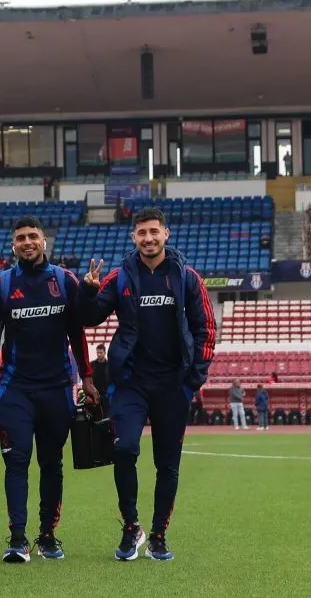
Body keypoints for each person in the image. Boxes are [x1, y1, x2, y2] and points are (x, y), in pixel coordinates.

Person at [79, 207, 216, 562]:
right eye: (142, 233)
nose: (148, 238)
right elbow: (91, 318)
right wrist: (86, 291)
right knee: (124, 450)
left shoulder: (186, 276)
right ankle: (131, 528)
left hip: (172, 385)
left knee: (166, 464)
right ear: (133, 238)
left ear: (165, 234)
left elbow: (207, 330)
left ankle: (158, 535)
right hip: (130, 384)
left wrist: (192, 380)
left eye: (154, 231)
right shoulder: (120, 276)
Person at [0, 216, 97, 563]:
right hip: (15, 391)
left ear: (44, 241)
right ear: (13, 244)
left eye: (33, 236)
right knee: (16, 463)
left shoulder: (65, 281)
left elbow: (77, 335)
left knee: (52, 463)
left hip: (58, 389)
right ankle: (17, 539)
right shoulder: (0, 286)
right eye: (21, 238)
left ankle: (48, 536)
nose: (27, 242)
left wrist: (87, 377)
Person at [92, 343, 110, 415]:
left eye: (101, 352)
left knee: (107, 416)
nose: (99, 354)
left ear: (105, 353)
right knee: (96, 415)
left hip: (106, 394)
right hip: (95, 394)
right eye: (97, 352)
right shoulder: (92, 364)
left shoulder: (109, 365)